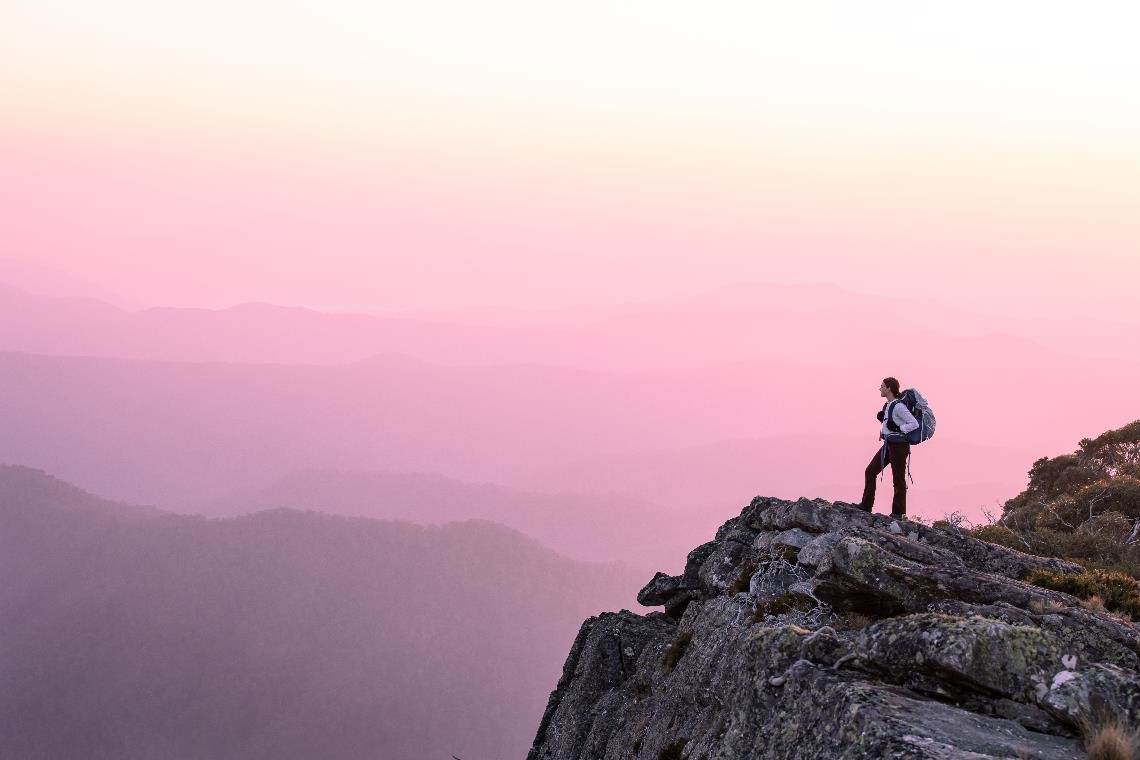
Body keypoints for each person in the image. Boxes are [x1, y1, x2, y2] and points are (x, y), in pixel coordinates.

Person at [858, 377, 919, 519]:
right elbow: (890, 425)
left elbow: (914, 423)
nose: (880, 389)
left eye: (882, 386)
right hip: (888, 445)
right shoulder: (888, 406)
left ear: (889, 388)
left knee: (898, 479)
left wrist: (898, 427)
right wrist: (884, 421)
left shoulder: (898, 406)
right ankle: (866, 505)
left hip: (899, 446)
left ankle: (898, 513)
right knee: (870, 471)